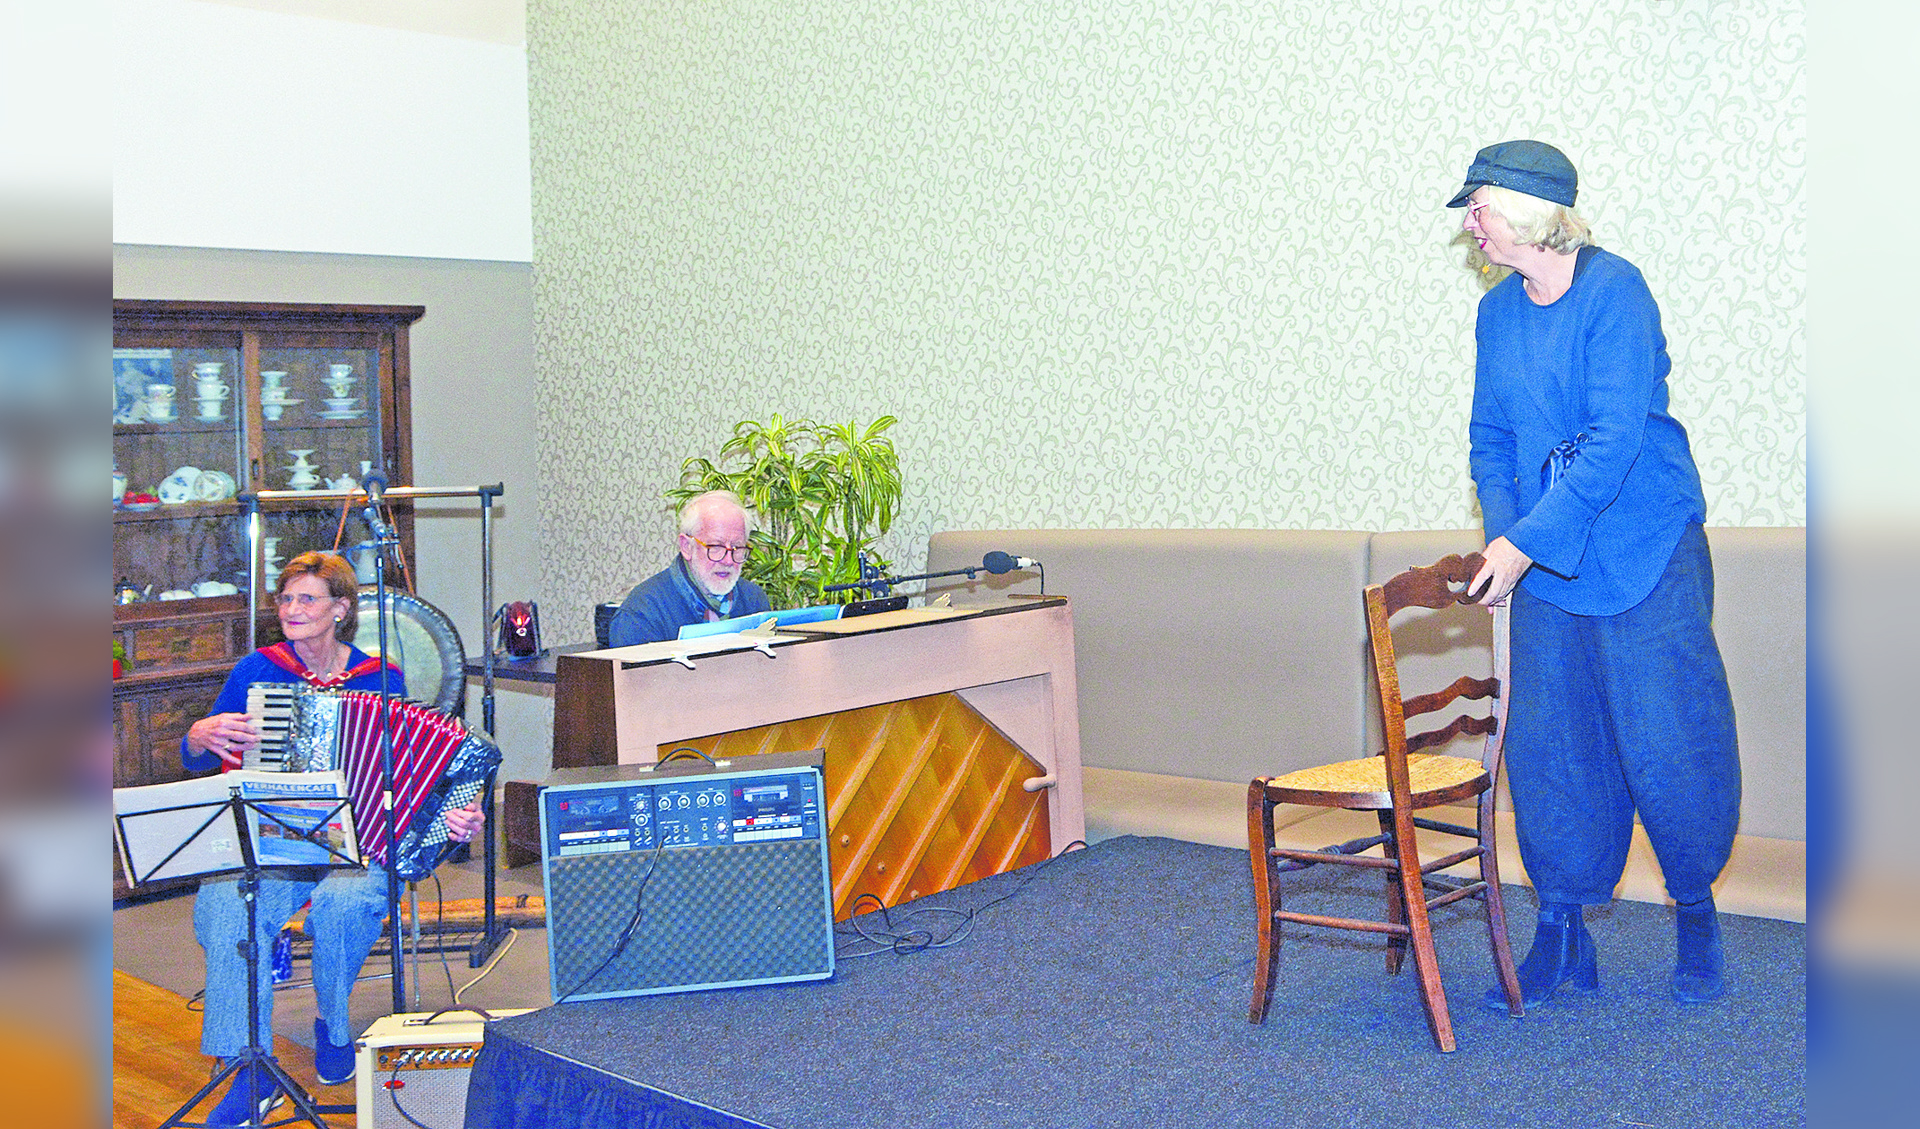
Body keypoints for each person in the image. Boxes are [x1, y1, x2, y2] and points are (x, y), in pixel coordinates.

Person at [1448, 140, 1741, 1011]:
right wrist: (1510, 545)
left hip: (1645, 547)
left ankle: (1696, 909)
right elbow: (1490, 442)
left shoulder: (1618, 293)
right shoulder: (1498, 317)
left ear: (1534, 215)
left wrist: (1525, 543)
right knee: (1555, 750)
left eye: (1481, 207)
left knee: (1667, 736)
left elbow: (1615, 441)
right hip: (1546, 558)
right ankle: (1563, 932)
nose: (1471, 223)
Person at [183, 551, 484, 1126]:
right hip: (273, 839)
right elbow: (200, 755)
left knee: (346, 905)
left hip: (359, 840)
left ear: (340, 610)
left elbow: (416, 773)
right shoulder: (256, 671)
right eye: (286, 599)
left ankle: (333, 1022)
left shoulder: (380, 678)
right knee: (225, 907)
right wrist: (200, 734)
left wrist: (453, 815)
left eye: (307, 599)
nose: (292, 610)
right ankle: (247, 1072)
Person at [607, 489, 772, 646]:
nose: (728, 560)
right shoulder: (642, 613)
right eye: (715, 547)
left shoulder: (754, 600)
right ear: (686, 547)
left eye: (737, 547)